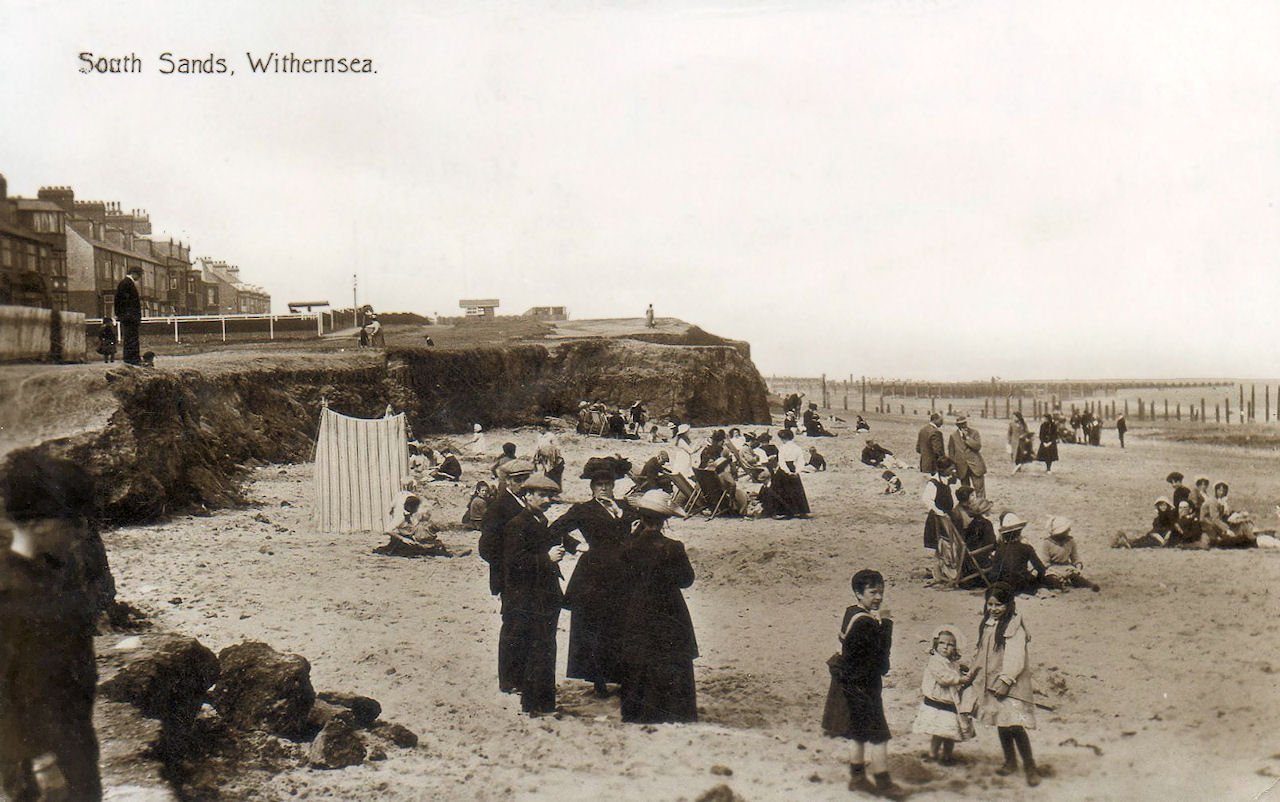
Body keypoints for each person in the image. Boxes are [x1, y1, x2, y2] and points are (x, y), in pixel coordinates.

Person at [1, 454, 103, 802]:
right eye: (71, 522)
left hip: (67, 745)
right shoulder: (15, 595)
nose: (80, 532)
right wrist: (44, 765)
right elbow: (13, 689)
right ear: (41, 524)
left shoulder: (42, 577)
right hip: (44, 759)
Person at [618, 490, 697, 724]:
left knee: (639, 657)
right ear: (664, 521)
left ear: (641, 518)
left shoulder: (628, 546)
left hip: (637, 606)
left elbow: (621, 577)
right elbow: (686, 580)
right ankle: (672, 710)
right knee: (670, 657)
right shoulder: (673, 547)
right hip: (668, 608)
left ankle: (637, 712)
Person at [822, 569, 903, 798]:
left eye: (881, 592)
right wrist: (886, 624)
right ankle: (883, 782)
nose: (878, 597)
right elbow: (882, 664)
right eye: (872, 592)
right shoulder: (868, 624)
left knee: (857, 731)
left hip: (849, 682)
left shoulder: (851, 613)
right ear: (859, 593)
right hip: (866, 685)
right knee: (879, 735)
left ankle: (857, 777)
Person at [551, 471, 633, 697]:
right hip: (594, 574)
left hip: (623, 572)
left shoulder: (624, 506)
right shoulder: (583, 509)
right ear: (592, 488)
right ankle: (597, 679)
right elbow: (554, 530)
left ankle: (619, 676)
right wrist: (577, 546)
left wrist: (620, 513)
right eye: (599, 485)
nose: (604, 488)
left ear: (614, 485)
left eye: (608, 483)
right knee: (594, 626)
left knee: (620, 625)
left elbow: (634, 530)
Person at [962, 583, 1042, 787]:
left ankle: (1030, 766)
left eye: (999, 605)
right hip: (990, 681)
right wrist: (972, 672)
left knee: (1015, 724)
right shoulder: (987, 623)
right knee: (1001, 722)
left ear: (1009, 604)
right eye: (990, 604)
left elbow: (1016, 657)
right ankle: (1010, 761)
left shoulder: (1014, 625)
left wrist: (1006, 680)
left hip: (1009, 683)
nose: (994, 609)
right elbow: (980, 651)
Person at [501, 475, 570, 715]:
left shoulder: (539, 520)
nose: (547, 500)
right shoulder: (517, 524)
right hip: (529, 596)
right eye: (541, 495)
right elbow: (514, 562)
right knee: (536, 648)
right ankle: (535, 703)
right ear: (527, 495)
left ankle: (543, 700)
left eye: (550, 496)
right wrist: (546, 559)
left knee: (546, 647)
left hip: (546, 593)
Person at [477, 460, 535, 693]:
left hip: (531, 575)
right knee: (513, 626)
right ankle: (509, 681)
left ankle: (523, 677)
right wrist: (509, 566)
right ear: (508, 481)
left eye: (525, 480)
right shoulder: (498, 508)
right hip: (511, 579)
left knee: (527, 625)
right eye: (518, 480)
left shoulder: (529, 504)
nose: (522, 484)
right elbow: (486, 548)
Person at [912, 626, 974, 765]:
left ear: (955, 648)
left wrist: (963, 671)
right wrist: (961, 679)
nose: (945, 647)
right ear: (936, 644)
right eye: (942, 643)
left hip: (950, 702)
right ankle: (933, 753)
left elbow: (955, 671)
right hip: (938, 701)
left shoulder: (952, 663)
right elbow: (944, 678)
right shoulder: (935, 661)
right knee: (939, 731)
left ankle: (947, 756)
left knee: (950, 732)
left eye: (950, 644)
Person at [377, 492, 451, 557]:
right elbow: (387, 530)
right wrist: (403, 539)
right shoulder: (400, 517)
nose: (417, 509)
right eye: (416, 507)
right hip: (400, 540)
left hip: (408, 538)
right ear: (411, 507)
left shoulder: (411, 515)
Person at [988, 513, 1046, 594]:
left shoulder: (999, 550)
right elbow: (1041, 568)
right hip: (1023, 584)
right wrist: (1038, 582)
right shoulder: (1027, 548)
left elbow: (994, 573)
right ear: (1019, 532)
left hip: (1006, 585)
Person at [1040, 517, 1099, 591]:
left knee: (1075, 577)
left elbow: (1075, 557)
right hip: (1053, 568)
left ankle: (1089, 585)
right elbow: (1045, 561)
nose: (1068, 531)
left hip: (1066, 567)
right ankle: (1060, 587)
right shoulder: (1047, 543)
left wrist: (1078, 566)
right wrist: (1049, 568)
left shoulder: (1070, 541)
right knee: (1052, 579)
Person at [765, 428, 810, 519]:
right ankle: (800, 511)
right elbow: (801, 461)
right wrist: (797, 471)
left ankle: (781, 512)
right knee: (795, 490)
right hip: (793, 468)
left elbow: (781, 462)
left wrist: (787, 472)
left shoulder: (782, 448)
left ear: (783, 438)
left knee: (780, 490)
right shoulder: (797, 448)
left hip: (783, 471)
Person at [921, 457, 958, 561]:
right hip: (938, 517)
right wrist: (940, 513)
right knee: (941, 542)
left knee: (949, 542)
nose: (953, 471)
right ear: (943, 470)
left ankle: (945, 562)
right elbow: (927, 500)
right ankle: (940, 564)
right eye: (950, 469)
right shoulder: (933, 483)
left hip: (949, 514)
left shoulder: (951, 480)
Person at [1202, 481, 1257, 548]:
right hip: (1208, 524)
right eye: (1219, 490)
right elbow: (1215, 519)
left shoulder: (1222, 501)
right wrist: (1226, 529)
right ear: (1216, 491)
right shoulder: (1213, 501)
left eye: (1224, 491)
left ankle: (1252, 539)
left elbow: (1225, 514)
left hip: (1216, 523)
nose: (1221, 493)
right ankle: (1252, 541)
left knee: (1242, 524)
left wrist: (1238, 514)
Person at [948, 416, 987, 496]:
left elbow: (977, 447)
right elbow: (951, 453)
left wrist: (967, 438)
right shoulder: (953, 436)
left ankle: (982, 507)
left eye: (964, 423)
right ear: (957, 425)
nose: (963, 426)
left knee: (979, 490)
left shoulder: (974, 432)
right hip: (961, 467)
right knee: (965, 492)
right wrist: (953, 468)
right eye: (961, 424)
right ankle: (969, 507)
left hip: (976, 466)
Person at [113, 265, 144, 365]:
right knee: (131, 339)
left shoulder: (126, 283)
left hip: (129, 317)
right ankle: (132, 359)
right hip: (130, 318)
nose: (139, 278)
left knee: (131, 339)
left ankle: (132, 359)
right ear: (134, 273)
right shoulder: (127, 283)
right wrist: (128, 315)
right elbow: (122, 302)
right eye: (139, 276)